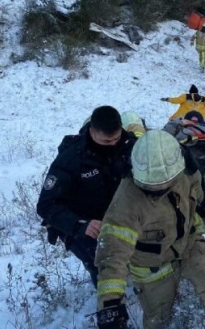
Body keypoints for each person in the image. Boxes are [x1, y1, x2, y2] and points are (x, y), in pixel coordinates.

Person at [94, 130, 205, 329]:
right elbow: (112, 254)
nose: (159, 190)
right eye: (152, 186)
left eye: (166, 185)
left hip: (188, 244)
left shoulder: (188, 171)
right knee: (158, 320)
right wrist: (110, 305)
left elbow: (197, 195)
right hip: (151, 265)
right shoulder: (125, 203)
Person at [37, 106, 137, 287]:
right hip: (86, 223)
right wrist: (78, 225)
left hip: (122, 216)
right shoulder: (71, 159)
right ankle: (108, 302)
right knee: (103, 265)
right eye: (106, 142)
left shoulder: (130, 146)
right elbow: (46, 206)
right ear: (91, 132)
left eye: (116, 138)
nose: (113, 144)